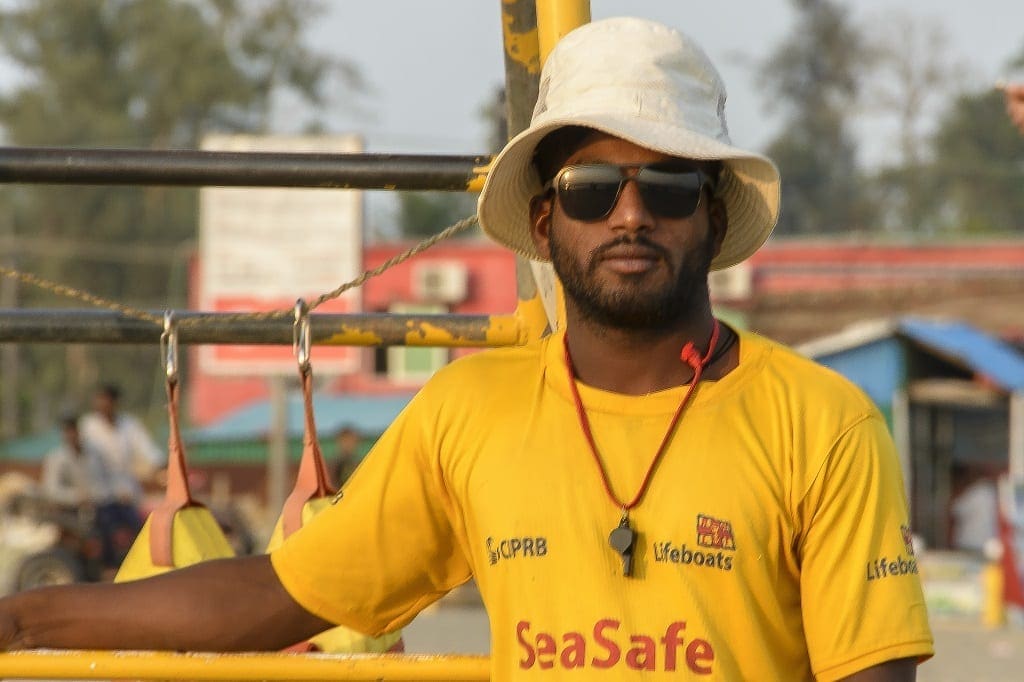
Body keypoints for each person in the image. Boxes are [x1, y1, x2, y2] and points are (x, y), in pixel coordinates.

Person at [0, 18, 932, 680]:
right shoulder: (468, 411)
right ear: (543, 219)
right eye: (592, 188)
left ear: (714, 213)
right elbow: (278, 593)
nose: (632, 213)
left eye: (672, 187)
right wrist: (25, 618)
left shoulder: (823, 423)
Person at [40, 415, 113, 511]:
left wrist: (93, 496)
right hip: (68, 510)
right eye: (68, 431)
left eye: (74, 430)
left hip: (96, 507)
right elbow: (51, 491)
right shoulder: (56, 458)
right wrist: (75, 497)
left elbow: (104, 483)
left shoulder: (94, 455)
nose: (72, 434)